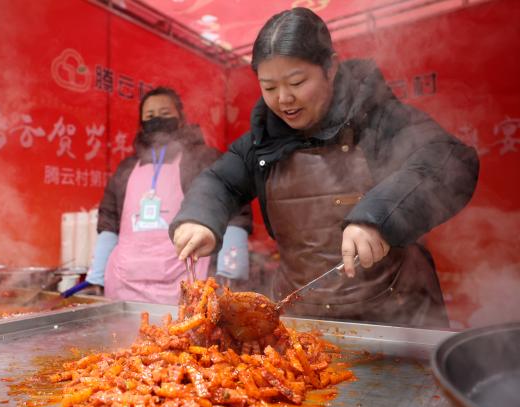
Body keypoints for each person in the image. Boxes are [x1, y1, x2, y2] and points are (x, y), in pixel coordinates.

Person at [170, 8, 479, 327]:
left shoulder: (379, 118)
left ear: (330, 67)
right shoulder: (262, 140)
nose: (284, 99)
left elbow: (449, 159)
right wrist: (199, 217)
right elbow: (221, 181)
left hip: (394, 319)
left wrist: (378, 217)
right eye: (270, 87)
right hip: (299, 320)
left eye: (297, 81)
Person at [83, 87, 251, 304]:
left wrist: (231, 271)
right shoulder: (127, 167)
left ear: (180, 118)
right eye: (150, 116)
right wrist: (96, 277)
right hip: (125, 282)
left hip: (185, 279)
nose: (157, 120)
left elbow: (235, 212)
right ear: (141, 123)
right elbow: (109, 223)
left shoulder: (203, 158)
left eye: (164, 113)